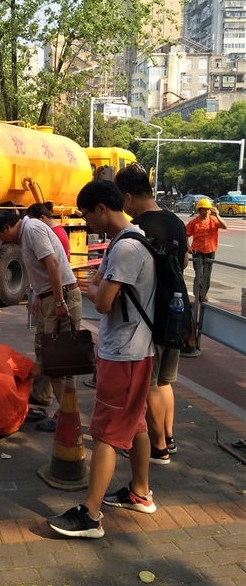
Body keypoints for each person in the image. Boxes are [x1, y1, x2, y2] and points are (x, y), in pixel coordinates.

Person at [48, 180, 157, 539]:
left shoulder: (126, 248)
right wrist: (96, 284)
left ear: (101, 208)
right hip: (135, 350)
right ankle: (140, 492)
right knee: (136, 420)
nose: (85, 222)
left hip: (123, 352)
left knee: (106, 433)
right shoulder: (130, 239)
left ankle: (90, 514)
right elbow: (100, 286)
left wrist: (93, 286)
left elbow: (102, 300)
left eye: (85, 214)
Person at [116, 163, 189, 463]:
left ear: (128, 197)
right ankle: (169, 438)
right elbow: (183, 264)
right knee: (165, 382)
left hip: (152, 315)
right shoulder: (176, 222)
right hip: (178, 310)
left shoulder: (139, 228)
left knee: (149, 385)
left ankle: (157, 447)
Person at [0, 208, 82, 421]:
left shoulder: (32, 230)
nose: (0, 240)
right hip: (50, 297)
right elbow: (43, 268)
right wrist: (40, 295)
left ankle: (68, 415)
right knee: (46, 353)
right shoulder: (27, 231)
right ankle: (50, 400)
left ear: (7, 227)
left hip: (61, 297)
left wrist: (58, 301)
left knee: (58, 362)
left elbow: (53, 263)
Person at [185, 197, 227, 304]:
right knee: (199, 274)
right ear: (200, 210)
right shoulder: (194, 222)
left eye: (208, 209)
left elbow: (224, 226)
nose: (207, 211)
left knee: (207, 275)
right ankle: (198, 294)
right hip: (197, 251)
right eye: (204, 209)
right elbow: (185, 234)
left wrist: (217, 215)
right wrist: (188, 247)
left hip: (210, 250)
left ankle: (203, 294)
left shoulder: (213, 220)